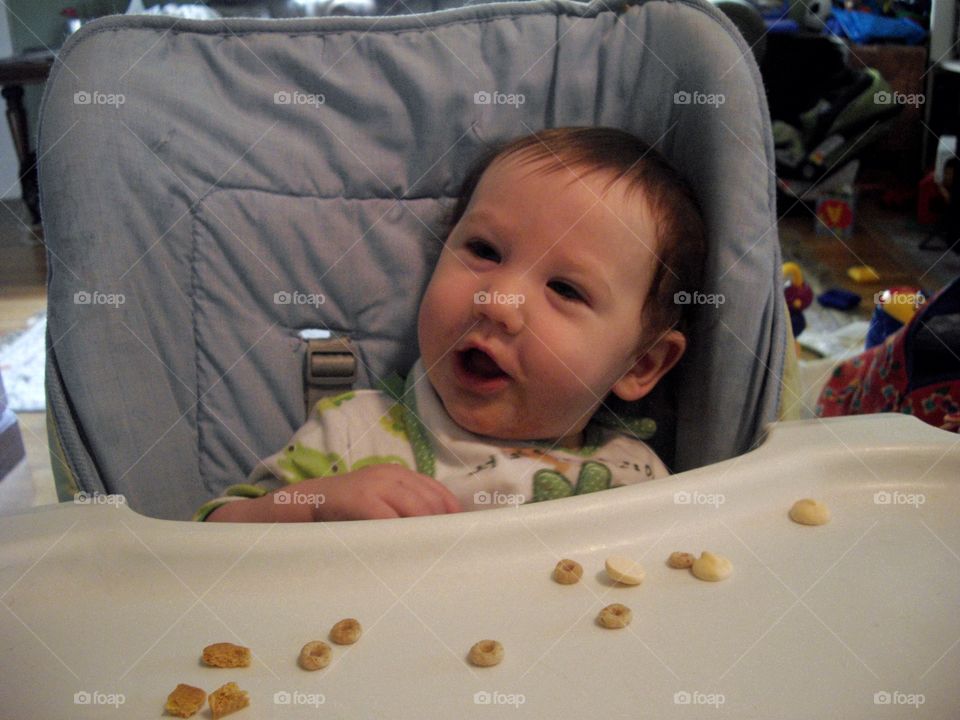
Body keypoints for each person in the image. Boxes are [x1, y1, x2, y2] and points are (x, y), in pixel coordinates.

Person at [198, 126, 706, 522]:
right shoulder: (357, 432)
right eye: (484, 251)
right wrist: (315, 504)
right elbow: (214, 537)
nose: (498, 303)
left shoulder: (638, 479)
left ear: (642, 364)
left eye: (565, 289)